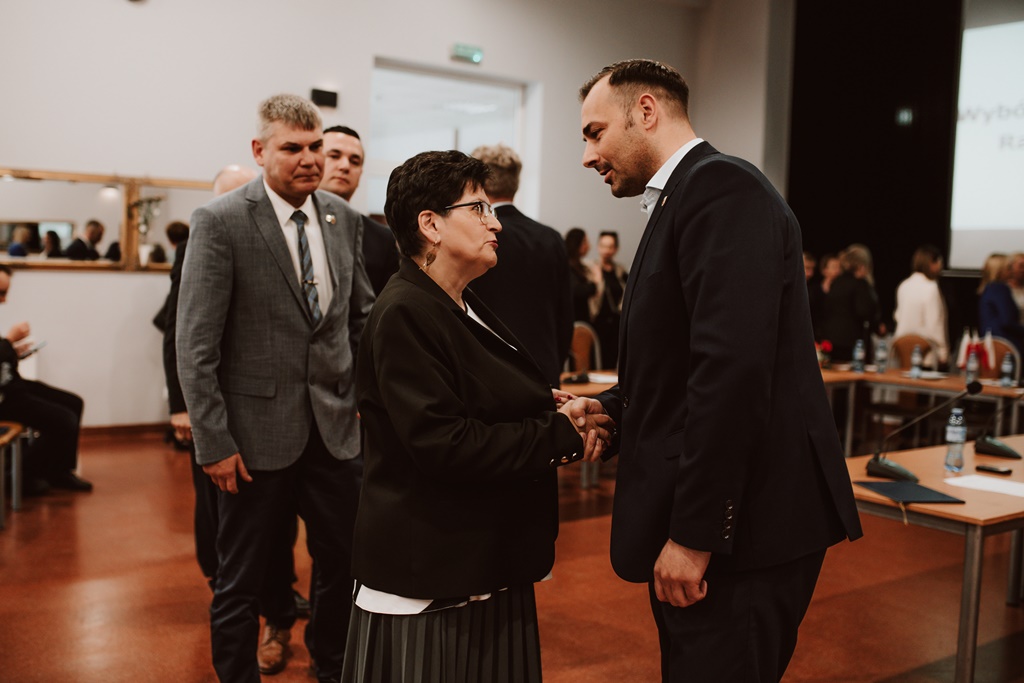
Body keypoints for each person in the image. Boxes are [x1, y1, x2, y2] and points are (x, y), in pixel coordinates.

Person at [573, 59, 862, 682]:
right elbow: (681, 361)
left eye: (595, 133)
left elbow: (731, 376)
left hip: (744, 533)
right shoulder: (685, 197)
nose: (588, 156)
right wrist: (613, 410)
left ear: (645, 111)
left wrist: (695, 536)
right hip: (726, 523)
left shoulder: (722, 189)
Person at [343, 149, 612, 682]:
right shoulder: (405, 311)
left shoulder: (456, 299)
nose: (496, 223)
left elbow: (472, 386)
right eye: (479, 209)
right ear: (431, 225)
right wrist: (560, 433)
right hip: (435, 563)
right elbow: (444, 444)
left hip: (481, 552)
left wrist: (543, 402)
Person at [177, 94, 373, 683]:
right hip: (253, 438)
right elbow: (196, 345)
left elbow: (359, 321)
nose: (310, 159)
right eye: (293, 148)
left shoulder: (343, 220)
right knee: (241, 577)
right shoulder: (221, 221)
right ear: (260, 151)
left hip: (334, 434)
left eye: (316, 147)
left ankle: (331, 665)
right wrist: (213, 442)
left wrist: (360, 399)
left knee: (344, 560)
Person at [468, 143, 574, 387]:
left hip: (490, 374)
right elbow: (565, 316)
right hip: (544, 368)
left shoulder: (477, 236)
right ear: (515, 183)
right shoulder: (551, 238)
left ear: (480, 184)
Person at [0, 265, 93, 495]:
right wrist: (9, 341)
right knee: (64, 421)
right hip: (4, 396)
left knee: (74, 403)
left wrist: (13, 350)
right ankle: (18, 475)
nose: (4, 300)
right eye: (0, 293)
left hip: (12, 386)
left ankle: (60, 471)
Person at [318, 125, 398, 296]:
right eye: (334, 156)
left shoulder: (382, 241)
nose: (345, 166)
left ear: (361, 173)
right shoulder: (293, 223)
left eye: (355, 161)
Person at [814, 243, 881, 361]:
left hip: (830, 341)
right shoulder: (860, 284)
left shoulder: (835, 283)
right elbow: (864, 311)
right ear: (862, 265)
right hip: (851, 344)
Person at [893, 245, 948, 366]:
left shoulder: (904, 285)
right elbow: (935, 323)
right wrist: (943, 352)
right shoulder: (931, 287)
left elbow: (898, 316)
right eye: (939, 263)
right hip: (925, 353)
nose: (940, 267)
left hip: (902, 350)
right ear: (931, 263)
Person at [591, 230, 628, 369]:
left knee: (615, 360)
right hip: (597, 321)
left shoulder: (620, 271)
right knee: (597, 360)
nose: (606, 250)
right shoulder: (591, 269)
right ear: (598, 247)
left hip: (616, 322)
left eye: (610, 246)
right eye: (603, 246)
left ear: (616, 249)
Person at [977, 252, 1024, 354]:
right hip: (1006, 346)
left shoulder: (988, 289)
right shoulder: (1000, 289)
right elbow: (1007, 321)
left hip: (990, 344)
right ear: (1000, 271)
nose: (1011, 271)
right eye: (1008, 268)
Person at [565, 227, 598, 324]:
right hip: (574, 319)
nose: (588, 246)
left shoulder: (581, 266)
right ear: (577, 243)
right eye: (585, 242)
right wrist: (595, 283)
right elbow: (577, 290)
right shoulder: (567, 266)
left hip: (582, 317)